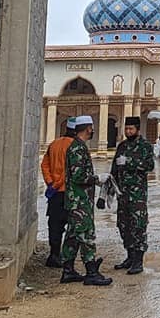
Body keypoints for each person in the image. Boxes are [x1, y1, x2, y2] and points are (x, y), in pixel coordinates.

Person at [60, 116, 113, 285]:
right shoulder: (77, 149)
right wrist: (97, 178)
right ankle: (91, 271)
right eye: (91, 127)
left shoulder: (80, 147)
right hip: (79, 201)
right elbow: (78, 176)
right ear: (86, 128)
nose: (92, 130)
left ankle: (67, 270)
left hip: (79, 199)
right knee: (86, 234)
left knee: (73, 235)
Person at [111, 117, 155, 274]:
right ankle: (129, 256)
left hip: (137, 195)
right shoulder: (122, 146)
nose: (128, 132)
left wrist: (129, 162)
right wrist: (108, 193)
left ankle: (138, 261)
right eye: (126, 129)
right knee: (124, 226)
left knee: (138, 226)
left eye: (131, 129)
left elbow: (150, 165)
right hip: (122, 194)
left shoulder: (144, 146)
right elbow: (114, 170)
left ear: (137, 129)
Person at [40, 117, 77, 267]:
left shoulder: (54, 144)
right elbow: (70, 170)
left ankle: (54, 254)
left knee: (54, 224)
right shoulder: (75, 146)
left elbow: (44, 165)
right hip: (68, 192)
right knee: (73, 225)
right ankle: (67, 257)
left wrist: (50, 183)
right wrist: (58, 184)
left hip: (54, 193)